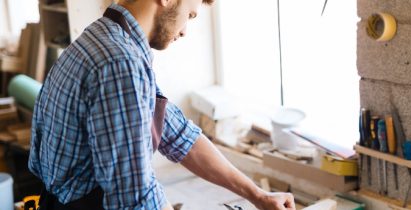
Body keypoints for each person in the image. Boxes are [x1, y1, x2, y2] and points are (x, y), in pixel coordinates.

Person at [28, 0, 296, 209]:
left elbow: (179, 135)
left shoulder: (107, 38)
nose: (184, 31)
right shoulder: (120, 64)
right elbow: (135, 199)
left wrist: (258, 195)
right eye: (189, 15)